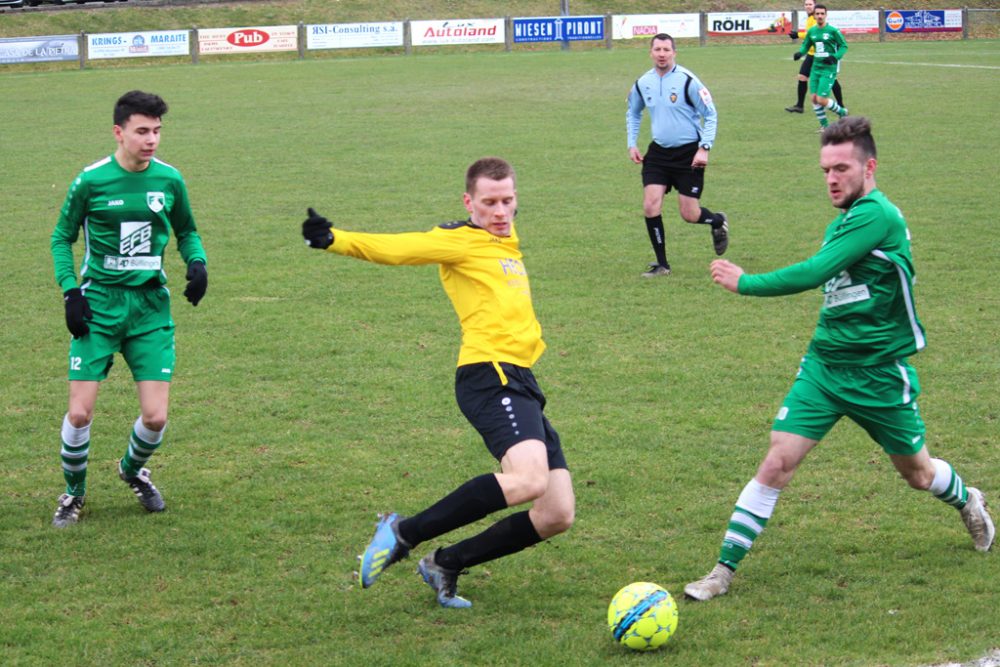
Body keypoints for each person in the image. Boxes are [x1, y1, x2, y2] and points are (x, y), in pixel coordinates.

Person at [683, 117, 995, 602]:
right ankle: (722, 571)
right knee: (777, 462)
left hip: (879, 374)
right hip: (825, 367)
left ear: (869, 167)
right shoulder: (845, 220)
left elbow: (816, 272)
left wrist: (745, 281)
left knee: (917, 473)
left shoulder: (878, 216)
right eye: (826, 169)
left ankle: (967, 498)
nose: (831, 178)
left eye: (842, 168)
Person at [301, 157, 575, 609]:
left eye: (508, 201)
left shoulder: (505, 238)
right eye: (489, 203)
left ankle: (446, 563)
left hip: (522, 380)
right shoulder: (461, 241)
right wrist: (335, 240)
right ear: (469, 202)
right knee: (527, 480)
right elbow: (402, 248)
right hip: (491, 375)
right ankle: (401, 532)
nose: (501, 212)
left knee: (556, 513)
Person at [50, 90, 208, 527]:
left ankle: (131, 469)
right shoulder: (90, 181)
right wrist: (71, 291)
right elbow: (61, 238)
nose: (151, 139)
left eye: (157, 131)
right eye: (142, 131)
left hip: (149, 308)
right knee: (80, 411)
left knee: (156, 417)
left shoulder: (170, 180)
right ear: (119, 132)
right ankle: (73, 494)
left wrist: (197, 262)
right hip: (98, 304)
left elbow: (187, 232)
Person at [626, 33, 729, 278]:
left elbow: (710, 114)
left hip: (689, 154)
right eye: (658, 49)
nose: (662, 54)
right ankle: (662, 264)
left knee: (689, 214)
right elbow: (633, 112)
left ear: (674, 53)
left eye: (666, 50)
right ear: (650, 52)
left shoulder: (688, 81)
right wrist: (632, 144)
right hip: (659, 154)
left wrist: (705, 147)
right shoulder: (643, 83)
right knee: (650, 205)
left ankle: (716, 221)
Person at [793, 4, 849, 130]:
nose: (819, 16)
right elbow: (806, 45)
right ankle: (825, 126)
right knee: (814, 98)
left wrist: (835, 56)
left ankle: (842, 112)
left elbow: (844, 46)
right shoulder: (812, 31)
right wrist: (800, 53)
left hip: (828, 68)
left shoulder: (833, 31)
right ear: (814, 15)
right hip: (816, 68)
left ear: (826, 15)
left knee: (821, 99)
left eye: (822, 14)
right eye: (817, 14)